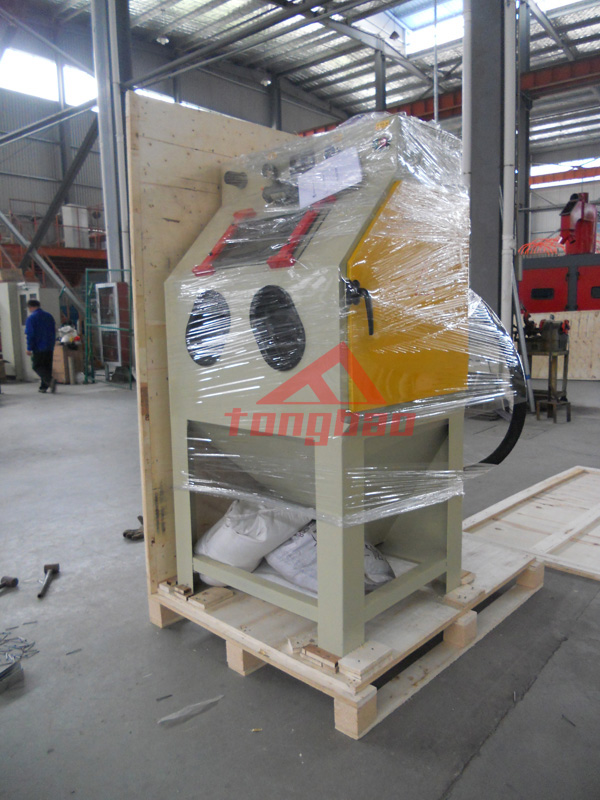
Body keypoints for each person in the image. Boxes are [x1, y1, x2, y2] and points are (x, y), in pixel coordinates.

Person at [25, 299, 57, 393]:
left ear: (30, 307)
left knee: (37, 366)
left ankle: (50, 380)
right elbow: (53, 330)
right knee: (47, 366)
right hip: (49, 345)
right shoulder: (49, 316)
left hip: (38, 346)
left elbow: (30, 334)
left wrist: (29, 348)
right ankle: (43, 387)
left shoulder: (31, 318)